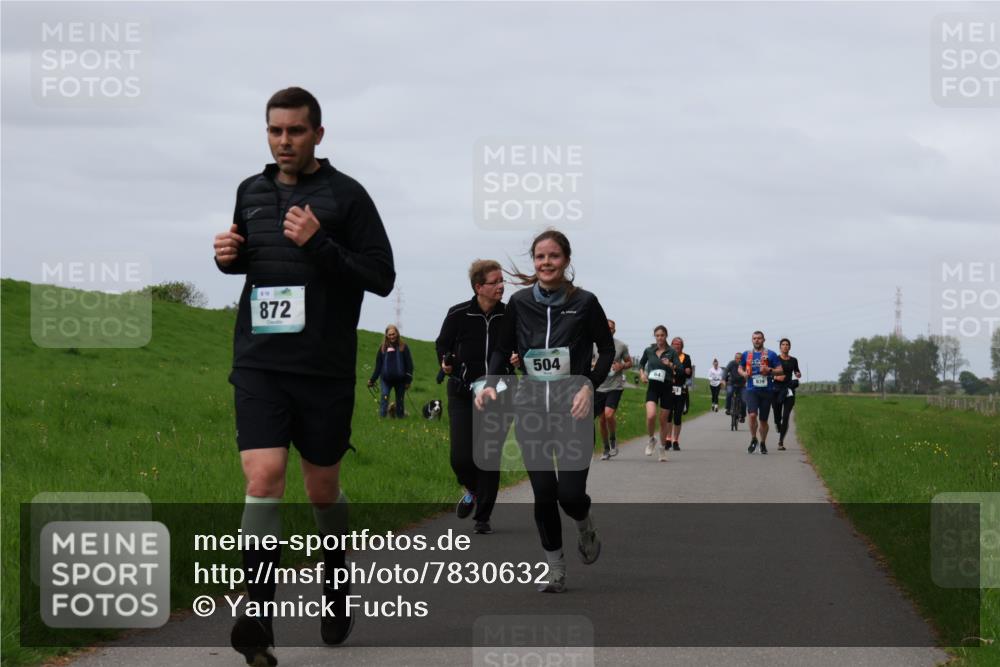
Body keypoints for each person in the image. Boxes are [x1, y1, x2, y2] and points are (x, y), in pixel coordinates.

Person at [213, 87, 394, 666]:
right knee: (263, 477)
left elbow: (381, 276)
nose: (284, 140)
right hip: (260, 364)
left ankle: (336, 583)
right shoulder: (250, 191)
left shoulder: (348, 196)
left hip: (324, 368)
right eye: (275, 131)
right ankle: (257, 617)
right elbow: (257, 260)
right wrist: (228, 257)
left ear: (318, 133)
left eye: (295, 131)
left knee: (321, 490)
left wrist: (320, 243)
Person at [475, 229, 614, 593]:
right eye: (540, 257)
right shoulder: (520, 303)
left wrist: (588, 384)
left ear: (566, 260)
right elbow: (501, 347)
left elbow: (607, 349)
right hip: (532, 410)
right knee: (543, 492)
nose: (546, 263)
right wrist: (489, 383)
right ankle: (555, 568)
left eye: (553, 256)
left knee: (569, 495)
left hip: (574, 411)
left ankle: (584, 524)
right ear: (533, 262)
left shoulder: (585, 302)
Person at [435, 260, 512, 534]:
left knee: (488, 455)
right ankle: (472, 489)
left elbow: (520, 345)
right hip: (463, 392)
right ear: (479, 287)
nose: (501, 286)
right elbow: (442, 344)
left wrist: (516, 357)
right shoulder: (458, 314)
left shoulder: (509, 315)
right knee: (461, 458)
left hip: (500, 393)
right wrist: (446, 363)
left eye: (502, 280)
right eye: (495, 282)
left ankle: (483, 517)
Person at [637, 326, 679, 462]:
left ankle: (662, 449)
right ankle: (651, 439)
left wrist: (670, 364)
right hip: (653, 386)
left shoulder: (671, 352)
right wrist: (642, 374)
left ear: (666, 336)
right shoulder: (649, 350)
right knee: (651, 416)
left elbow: (680, 369)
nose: (659, 338)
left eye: (662, 335)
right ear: (654, 336)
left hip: (667, 387)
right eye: (657, 335)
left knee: (663, 421)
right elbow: (641, 364)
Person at [738, 331, 783, 455]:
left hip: (767, 390)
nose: (756, 340)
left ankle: (763, 442)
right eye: (754, 338)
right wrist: (743, 374)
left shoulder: (771, 354)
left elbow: (780, 370)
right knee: (752, 415)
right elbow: (740, 367)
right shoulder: (746, 354)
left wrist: (769, 370)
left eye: (759, 338)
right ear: (751, 340)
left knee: (763, 420)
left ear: (764, 340)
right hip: (752, 389)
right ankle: (753, 439)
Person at [593, 319, 632, 460]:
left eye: (611, 328)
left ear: (614, 330)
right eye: (606, 327)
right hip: (599, 387)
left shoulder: (621, 346)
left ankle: (613, 439)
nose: (609, 330)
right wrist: (593, 364)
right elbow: (587, 361)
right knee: (602, 420)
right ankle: (605, 448)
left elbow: (629, 362)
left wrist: (621, 366)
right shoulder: (593, 345)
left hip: (615, 386)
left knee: (609, 415)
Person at [367, 325, 413, 418]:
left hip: (400, 380)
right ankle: (382, 418)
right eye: (389, 335)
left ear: (397, 334)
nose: (392, 336)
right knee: (384, 396)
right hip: (386, 380)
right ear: (386, 336)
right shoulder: (382, 348)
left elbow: (409, 365)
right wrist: (372, 380)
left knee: (400, 401)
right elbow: (378, 366)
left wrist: (408, 381)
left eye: (393, 334)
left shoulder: (403, 347)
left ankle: (400, 419)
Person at [771, 338, 802, 451]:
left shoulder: (794, 360)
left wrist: (798, 374)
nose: (785, 346)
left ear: (789, 347)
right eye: (783, 344)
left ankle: (781, 442)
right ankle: (777, 423)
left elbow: (797, 371)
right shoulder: (775, 359)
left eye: (787, 345)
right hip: (776, 389)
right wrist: (775, 376)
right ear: (780, 347)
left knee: (786, 416)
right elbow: (767, 372)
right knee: (777, 416)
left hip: (788, 389)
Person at [666, 337, 692, 451]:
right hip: (668, 388)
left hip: (680, 389)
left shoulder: (686, 357)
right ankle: (667, 439)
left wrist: (685, 371)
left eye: (679, 344)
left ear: (682, 346)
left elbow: (688, 374)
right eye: (674, 344)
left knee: (677, 416)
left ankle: (675, 440)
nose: (676, 346)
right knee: (668, 415)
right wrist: (681, 369)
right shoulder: (667, 356)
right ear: (671, 345)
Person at [723, 351, 745, 421]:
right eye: (737, 358)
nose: (738, 360)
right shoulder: (731, 363)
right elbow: (726, 370)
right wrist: (723, 379)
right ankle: (728, 409)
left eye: (740, 358)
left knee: (744, 400)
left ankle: (742, 415)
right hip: (731, 383)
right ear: (734, 358)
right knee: (729, 393)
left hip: (742, 385)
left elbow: (749, 372)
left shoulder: (745, 364)